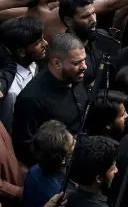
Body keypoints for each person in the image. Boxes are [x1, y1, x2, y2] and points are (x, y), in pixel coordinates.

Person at [10, 33, 87, 164]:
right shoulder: (31, 99)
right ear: (57, 63)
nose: (84, 66)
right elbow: (25, 149)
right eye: (77, 63)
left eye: (84, 60)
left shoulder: (74, 76)